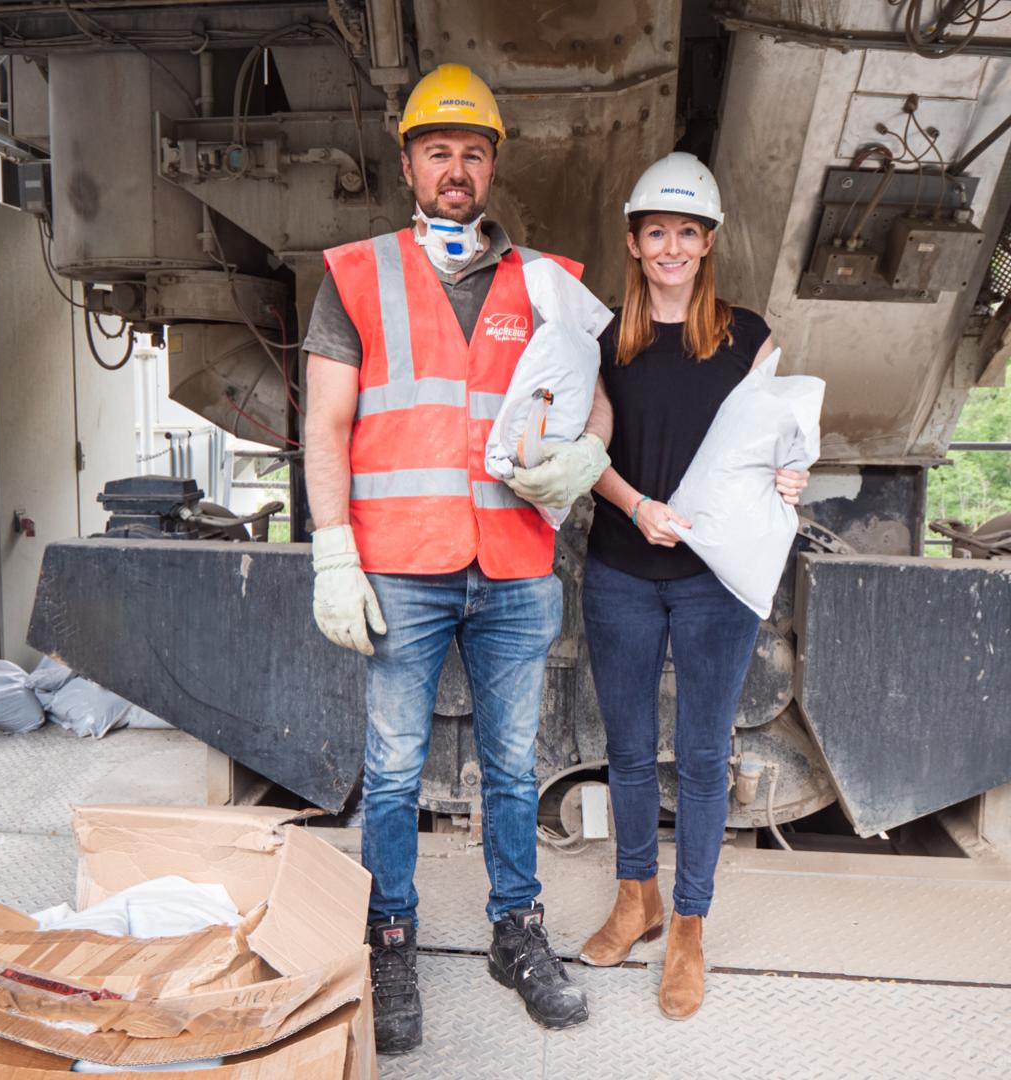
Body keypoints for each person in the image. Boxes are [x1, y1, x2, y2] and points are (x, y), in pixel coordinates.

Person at [300, 62, 611, 1054]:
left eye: (473, 152)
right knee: (391, 774)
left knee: (515, 771)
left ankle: (515, 933)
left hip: (515, 569)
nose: (456, 168)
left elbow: (593, 395)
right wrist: (331, 553)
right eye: (438, 150)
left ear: (492, 167)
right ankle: (388, 936)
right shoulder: (357, 273)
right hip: (401, 566)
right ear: (408, 164)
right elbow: (323, 425)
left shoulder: (550, 282)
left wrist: (586, 453)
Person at [573, 152, 809, 1020]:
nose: (672, 247)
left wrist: (793, 478)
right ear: (635, 243)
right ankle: (634, 899)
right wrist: (636, 506)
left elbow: (779, 441)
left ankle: (688, 927)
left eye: (688, 233)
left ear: (707, 244)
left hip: (717, 581)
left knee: (704, 758)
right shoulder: (604, 342)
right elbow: (586, 451)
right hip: (625, 571)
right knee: (630, 752)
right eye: (657, 233)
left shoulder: (752, 338)